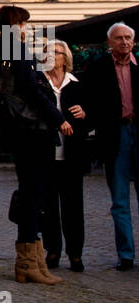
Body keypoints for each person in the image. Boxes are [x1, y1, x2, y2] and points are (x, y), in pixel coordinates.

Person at [0, 5, 70, 285]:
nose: (27, 28)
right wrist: (58, 117)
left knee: (31, 193)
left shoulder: (2, 48)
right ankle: (28, 261)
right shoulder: (15, 49)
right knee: (33, 194)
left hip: (21, 131)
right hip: (32, 131)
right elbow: (31, 90)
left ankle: (32, 260)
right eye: (23, 23)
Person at [81, 22, 139, 271]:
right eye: (119, 38)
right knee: (120, 200)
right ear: (109, 43)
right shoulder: (97, 69)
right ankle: (126, 255)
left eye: (128, 38)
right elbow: (89, 103)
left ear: (133, 41)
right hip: (115, 137)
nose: (124, 42)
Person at [39, 40, 88, 271]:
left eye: (55, 52)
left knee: (73, 207)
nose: (50, 55)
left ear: (65, 57)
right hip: (46, 155)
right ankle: (53, 250)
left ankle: (75, 253)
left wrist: (86, 113)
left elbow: (93, 116)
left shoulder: (78, 85)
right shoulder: (39, 83)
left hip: (72, 156)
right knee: (48, 207)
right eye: (46, 51)